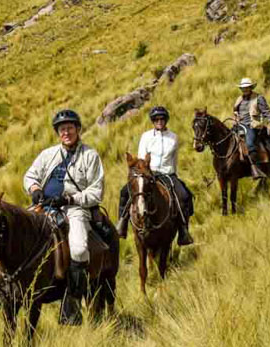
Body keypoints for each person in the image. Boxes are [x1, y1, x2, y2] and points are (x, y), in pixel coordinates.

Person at [23, 109, 104, 326]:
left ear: (78, 129)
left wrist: (70, 199)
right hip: (43, 207)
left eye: (69, 128)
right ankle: (5, 289)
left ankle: (72, 304)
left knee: (78, 249)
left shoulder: (90, 155)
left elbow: (96, 192)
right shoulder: (47, 154)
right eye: (61, 129)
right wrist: (35, 189)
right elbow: (30, 175)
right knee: (15, 231)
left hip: (74, 209)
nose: (65, 132)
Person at [116, 106, 194, 246]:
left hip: (167, 174)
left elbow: (174, 159)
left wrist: (174, 176)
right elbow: (141, 157)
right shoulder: (146, 136)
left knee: (184, 195)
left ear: (166, 120)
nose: (159, 121)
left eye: (162, 118)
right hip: (148, 173)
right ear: (153, 121)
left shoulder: (174, 137)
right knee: (124, 192)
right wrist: (143, 173)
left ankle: (183, 231)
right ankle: (122, 223)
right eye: (156, 119)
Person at [232, 77, 270, 179]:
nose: (245, 89)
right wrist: (236, 115)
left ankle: (256, 168)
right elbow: (235, 111)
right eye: (243, 88)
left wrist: (269, 124)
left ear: (251, 87)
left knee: (250, 143)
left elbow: (267, 112)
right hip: (239, 125)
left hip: (252, 125)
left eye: (247, 87)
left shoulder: (258, 98)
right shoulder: (239, 99)